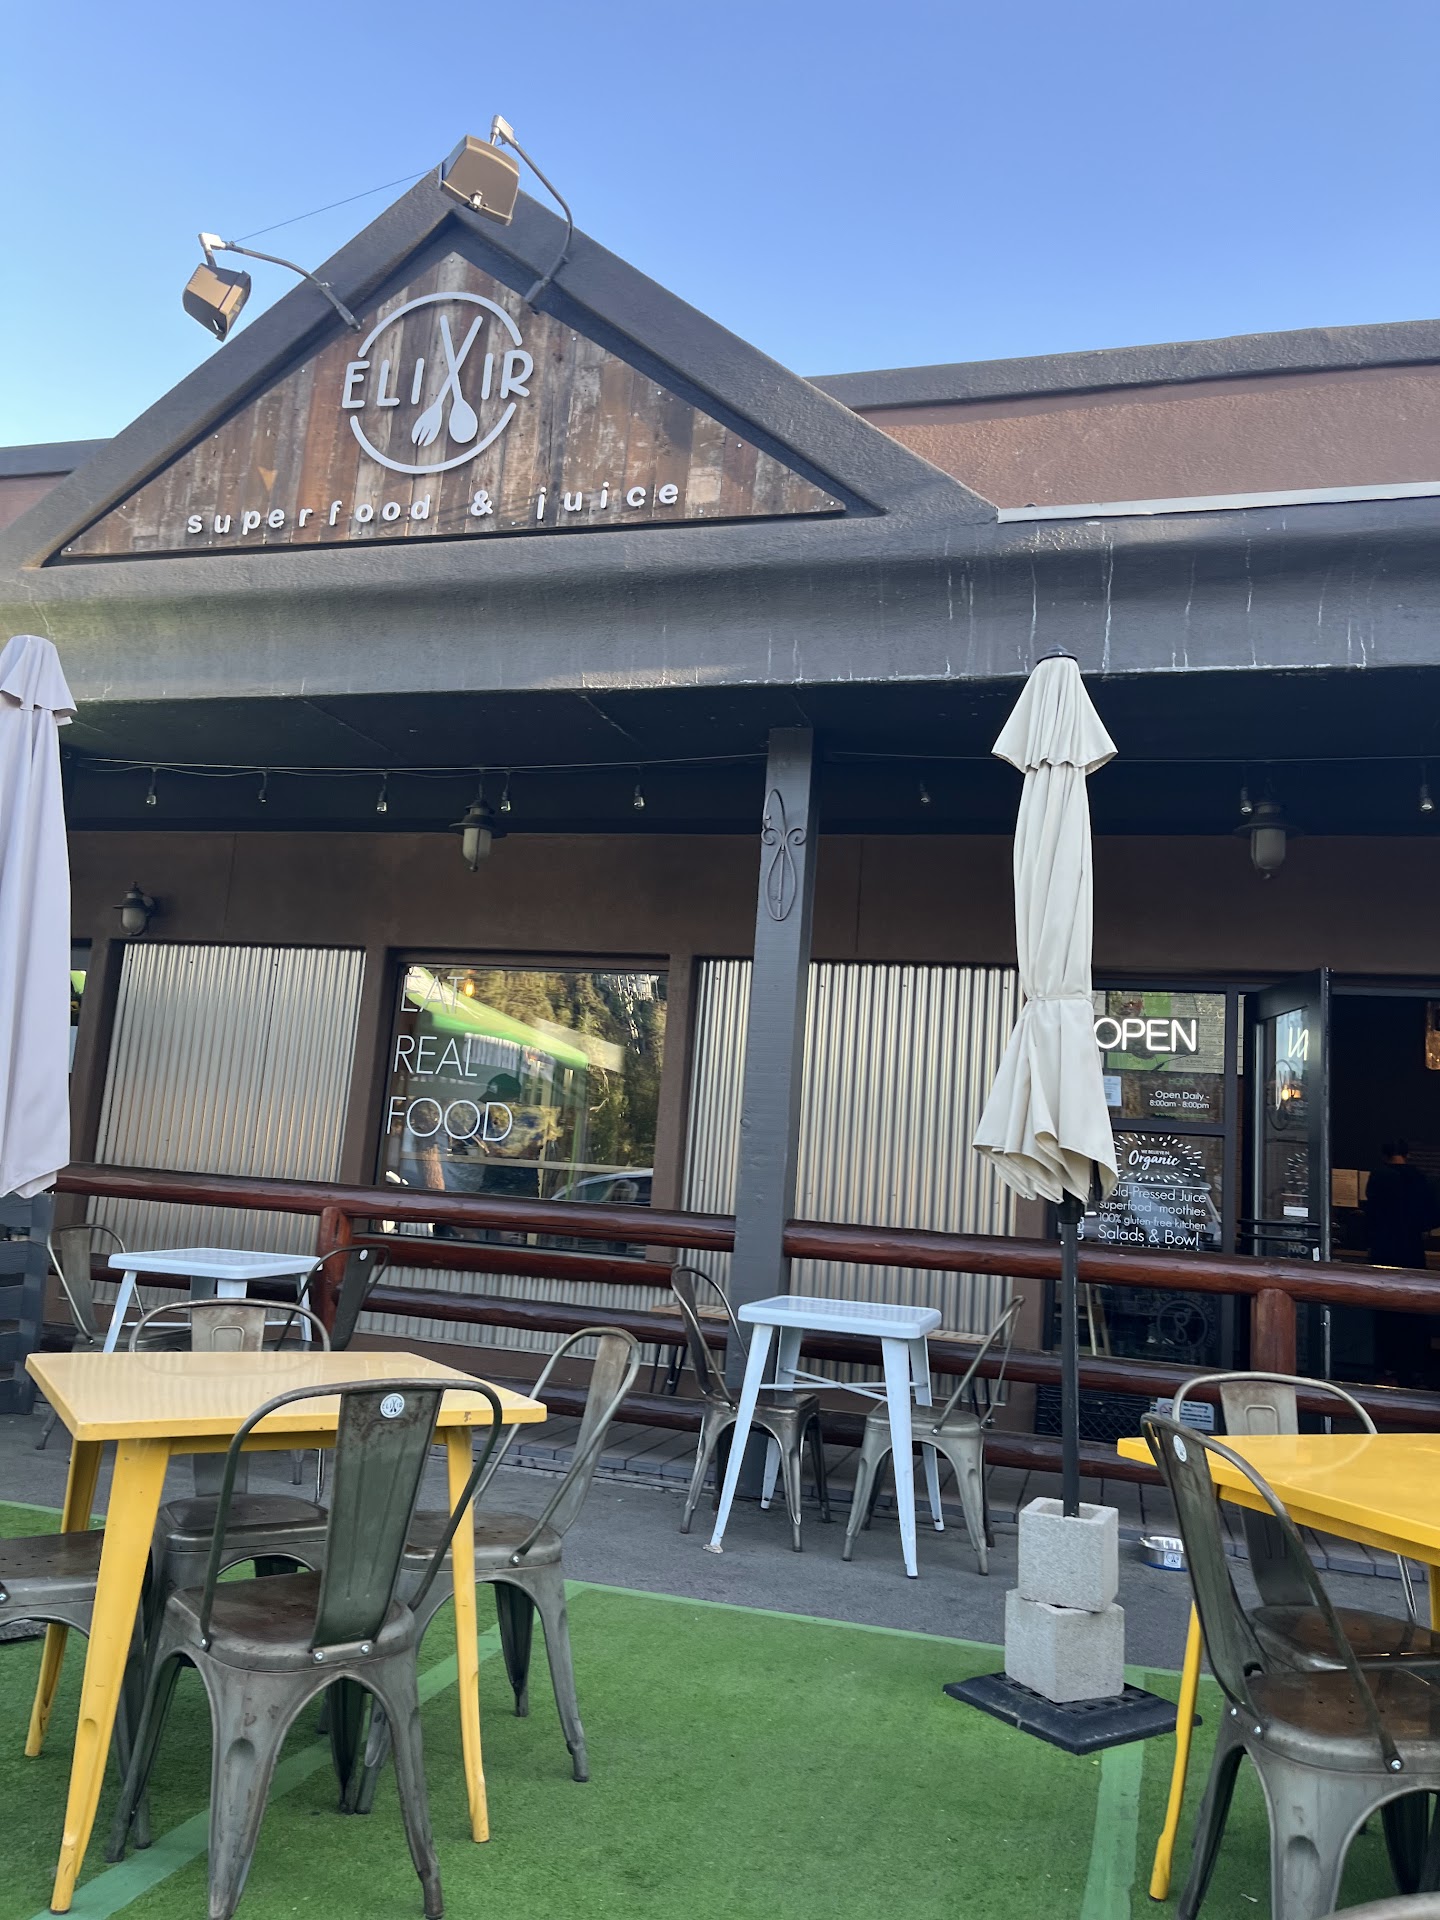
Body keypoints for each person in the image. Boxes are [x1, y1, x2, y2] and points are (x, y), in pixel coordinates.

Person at [1366, 1140, 1440, 1388]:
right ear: (1408, 1154)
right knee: (1414, 1309)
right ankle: (1415, 1368)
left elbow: (1372, 1215)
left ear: (1384, 1154)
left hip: (1383, 1250)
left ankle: (1387, 1368)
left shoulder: (1378, 1178)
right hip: (1412, 1250)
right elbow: (1432, 1216)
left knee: (1385, 1312)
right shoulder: (1420, 1179)